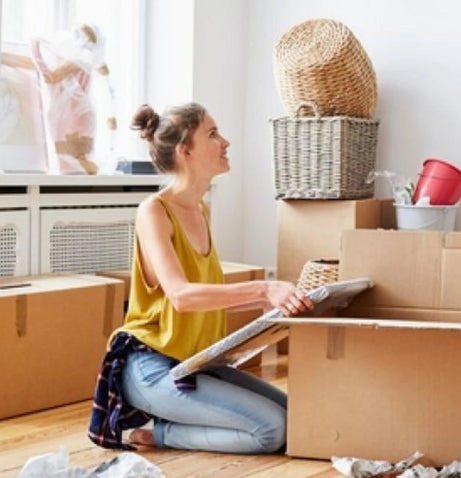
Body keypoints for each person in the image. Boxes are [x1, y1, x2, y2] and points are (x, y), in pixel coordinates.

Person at [88, 102, 313, 452]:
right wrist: (265, 288)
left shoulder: (201, 209)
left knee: (298, 414)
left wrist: (274, 306)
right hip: (151, 367)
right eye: (212, 134)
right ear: (185, 150)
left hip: (194, 363)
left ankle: (178, 417)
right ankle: (159, 432)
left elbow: (205, 294)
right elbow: (182, 295)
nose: (225, 142)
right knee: (272, 430)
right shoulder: (154, 211)